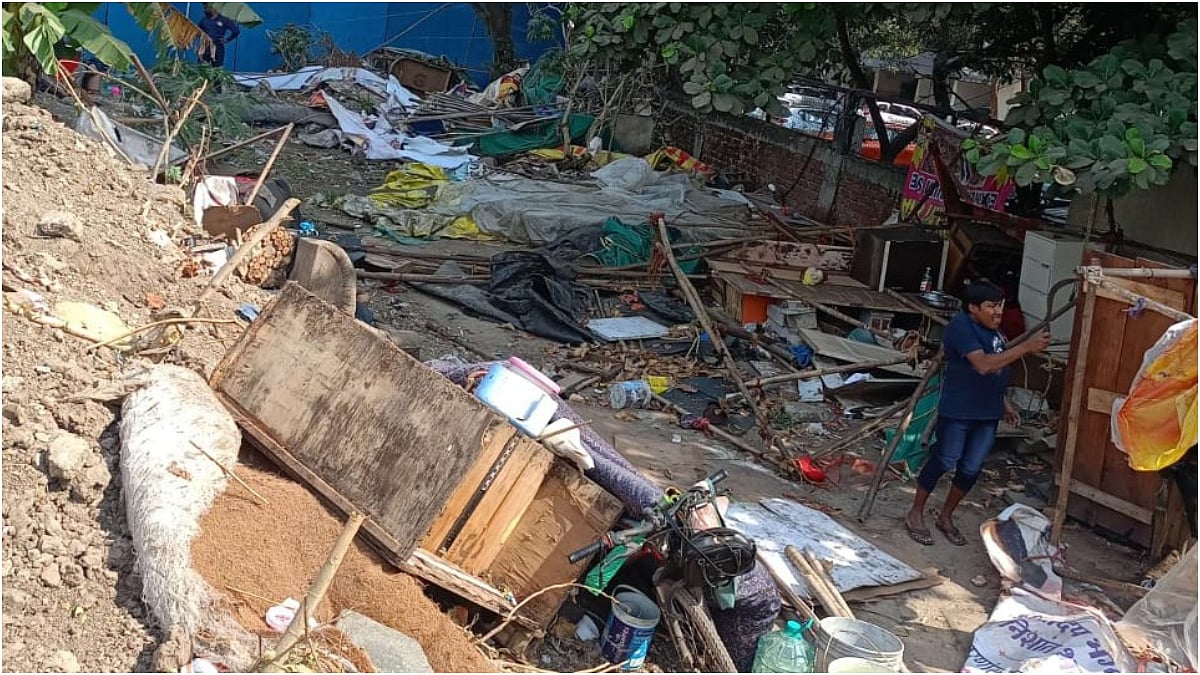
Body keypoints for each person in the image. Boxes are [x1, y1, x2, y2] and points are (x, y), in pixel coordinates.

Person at [905, 281, 1050, 546]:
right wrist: (1025, 347)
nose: (998, 312)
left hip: (987, 414)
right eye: (991, 306)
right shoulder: (962, 327)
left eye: (1000, 306)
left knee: (971, 468)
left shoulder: (993, 331)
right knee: (944, 460)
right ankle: (915, 513)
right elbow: (983, 365)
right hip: (959, 410)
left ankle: (945, 517)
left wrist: (1004, 404)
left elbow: (996, 369)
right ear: (973, 307)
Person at [197, 4, 239, 68]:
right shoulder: (204, 20)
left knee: (217, 69)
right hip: (205, 48)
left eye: (206, 8)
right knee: (202, 68)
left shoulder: (224, 19)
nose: (204, 10)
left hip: (218, 48)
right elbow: (198, 31)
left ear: (213, 8)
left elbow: (236, 31)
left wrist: (227, 39)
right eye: (204, 8)